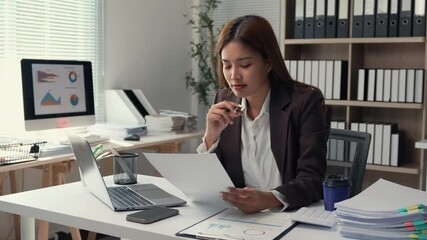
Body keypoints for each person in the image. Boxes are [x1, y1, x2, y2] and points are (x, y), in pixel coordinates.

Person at [197, 15, 328, 214]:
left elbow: (313, 180)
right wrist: (210, 138)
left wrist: (270, 199)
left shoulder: (305, 102)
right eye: (227, 65)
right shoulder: (223, 100)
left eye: (245, 65)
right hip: (238, 219)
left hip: (288, 216)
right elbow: (211, 185)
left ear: (268, 62)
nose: (234, 76)